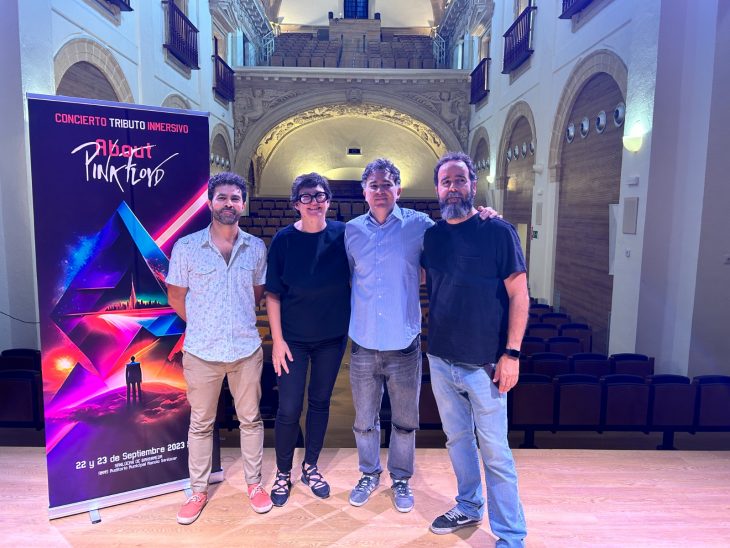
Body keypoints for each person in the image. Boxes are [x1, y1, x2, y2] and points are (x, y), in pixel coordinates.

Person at [344, 158, 496, 513]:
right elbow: (350, 276)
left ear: (398, 189)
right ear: (364, 191)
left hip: (404, 346)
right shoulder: (350, 232)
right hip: (363, 343)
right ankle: (368, 473)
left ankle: (400, 478)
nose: (380, 191)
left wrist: (484, 215)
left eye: (387, 184)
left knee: (405, 421)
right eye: (373, 185)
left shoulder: (421, 226)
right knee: (364, 422)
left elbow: (457, 231)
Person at [422, 152, 528, 546]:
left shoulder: (498, 231)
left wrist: (512, 354)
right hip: (440, 357)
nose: (453, 187)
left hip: (486, 362)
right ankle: (468, 505)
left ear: (473, 184)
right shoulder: (432, 236)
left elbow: (519, 294)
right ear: (437, 189)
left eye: (459, 180)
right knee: (457, 440)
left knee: (495, 452)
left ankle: (511, 536)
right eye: (445, 181)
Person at [166, 171, 272, 525]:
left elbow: (256, 295)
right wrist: (203, 323)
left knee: (251, 420)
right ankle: (197, 491)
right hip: (202, 352)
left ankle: (254, 485)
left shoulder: (256, 248)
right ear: (210, 202)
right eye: (222, 197)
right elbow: (176, 297)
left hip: (245, 350)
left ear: (243, 204)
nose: (229, 204)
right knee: (201, 424)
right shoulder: (186, 248)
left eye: (235, 198)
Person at [265, 173, 350, 507]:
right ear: (295, 204)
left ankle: (310, 466)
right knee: (288, 407)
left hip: (331, 337)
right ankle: (283, 471)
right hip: (293, 340)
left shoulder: (344, 234)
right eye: (306, 196)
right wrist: (278, 341)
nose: (314, 202)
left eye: (320, 195)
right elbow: (273, 294)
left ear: (328, 200)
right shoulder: (283, 240)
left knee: (320, 402)